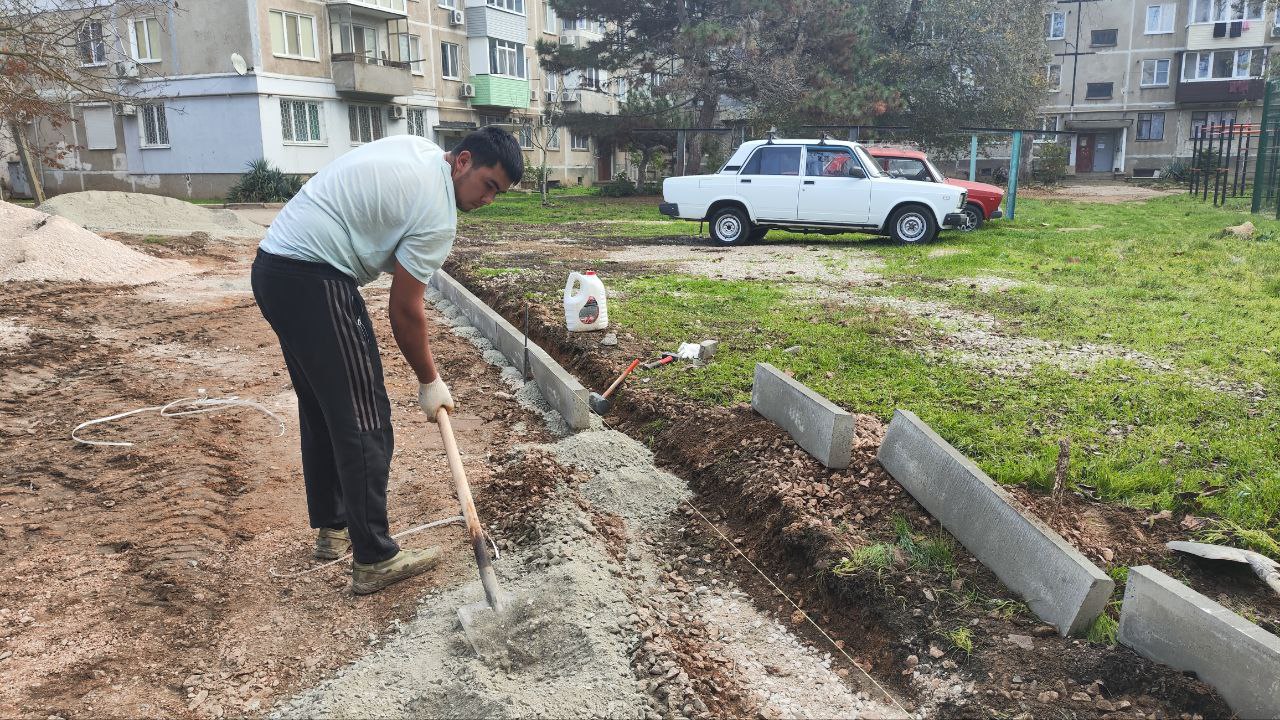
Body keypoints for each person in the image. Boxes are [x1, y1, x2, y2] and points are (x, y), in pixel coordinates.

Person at [251, 127, 523, 595]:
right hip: (315, 276)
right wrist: (429, 381)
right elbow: (405, 310)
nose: (488, 200)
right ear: (463, 161)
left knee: (324, 407)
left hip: (274, 267)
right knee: (365, 417)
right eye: (488, 186)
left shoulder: (417, 150)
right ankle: (374, 557)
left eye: (498, 193)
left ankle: (334, 527)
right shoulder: (438, 216)